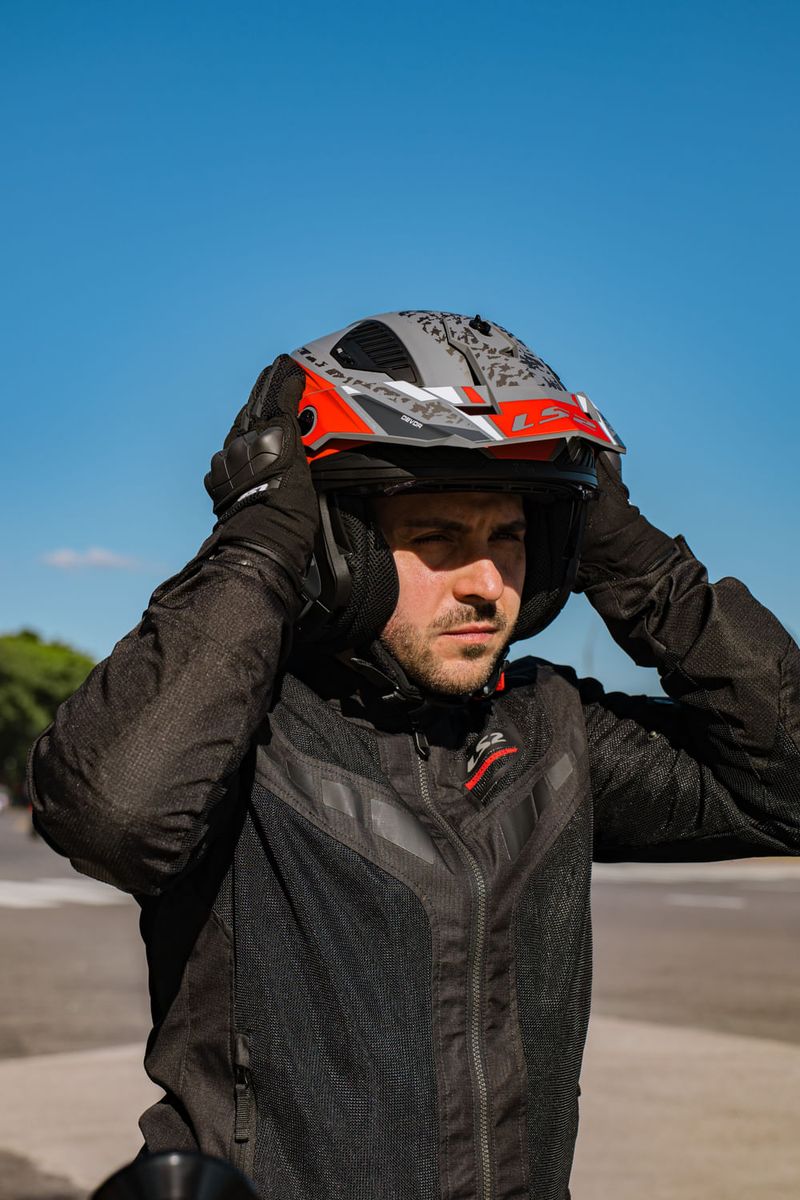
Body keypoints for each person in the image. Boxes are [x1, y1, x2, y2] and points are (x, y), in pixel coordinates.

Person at [28, 311, 800, 1200]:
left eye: (510, 537)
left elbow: (785, 786)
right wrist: (259, 541)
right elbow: (112, 818)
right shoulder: (245, 733)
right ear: (338, 549)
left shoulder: (548, 730)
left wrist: (638, 562)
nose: (486, 583)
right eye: (437, 539)